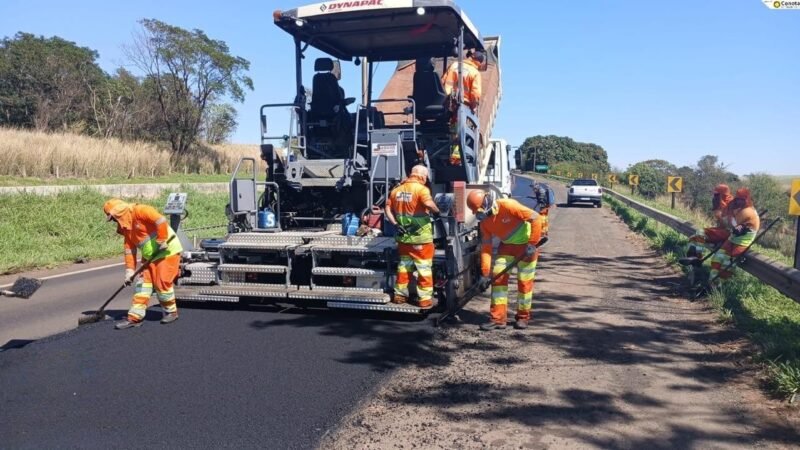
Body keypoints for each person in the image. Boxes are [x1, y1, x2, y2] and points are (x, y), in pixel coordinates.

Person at [467, 189, 543, 330]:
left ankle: (523, 317)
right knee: (498, 279)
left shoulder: (508, 205)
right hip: (506, 247)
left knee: (525, 283)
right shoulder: (484, 223)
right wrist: (485, 274)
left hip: (526, 247)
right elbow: (486, 248)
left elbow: (536, 218)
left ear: (486, 202)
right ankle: (498, 319)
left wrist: (532, 244)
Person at [103, 198, 183, 329]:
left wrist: (162, 239)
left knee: (161, 283)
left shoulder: (140, 210)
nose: (114, 221)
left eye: (113, 218)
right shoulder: (127, 229)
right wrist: (129, 272)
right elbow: (130, 251)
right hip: (149, 257)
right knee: (142, 287)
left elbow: (160, 220)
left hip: (167, 251)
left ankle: (171, 312)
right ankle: (134, 318)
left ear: (119, 212)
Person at [385, 165, 441, 309]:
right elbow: (428, 203)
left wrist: (395, 223)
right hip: (420, 238)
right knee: (424, 269)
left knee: (404, 267)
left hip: (403, 238)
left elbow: (387, 209)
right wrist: (438, 211)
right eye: (426, 176)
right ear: (422, 176)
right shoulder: (421, 189)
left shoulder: (396, 190)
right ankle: (424, 300)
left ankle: (400, 295)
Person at [708, 187, 760, 284]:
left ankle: (719, 285)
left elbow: (734, 226)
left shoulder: (747, 211)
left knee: (727, 263)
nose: (738, 201)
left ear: (746, 200)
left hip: (743, 241)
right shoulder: (737, 209)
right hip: (732, 238)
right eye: (737, 199)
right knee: (717, 257)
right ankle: (711, 281)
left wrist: (725, 219)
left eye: (741, 199)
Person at [442, 49, 484, 166]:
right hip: (462, 107)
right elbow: (475, 94)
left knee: (453, 130)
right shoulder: (474, 72)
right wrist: (473, 107)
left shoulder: (454, 65)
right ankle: (456, 160)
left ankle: (452, 156)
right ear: (479, 62)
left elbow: (443, 81)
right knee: (459, 133)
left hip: (447, 104)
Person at [685, 184, 734, 260]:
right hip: (722, 230)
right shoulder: (720, 202)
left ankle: (697, 257)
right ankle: (693, 258)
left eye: (717, 194)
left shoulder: (731, 204)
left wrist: (720, 216)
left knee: (700, 233)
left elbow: (732, 225)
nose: (715, 196)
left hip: (729, 233)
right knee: (694, 237)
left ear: (723, 194)